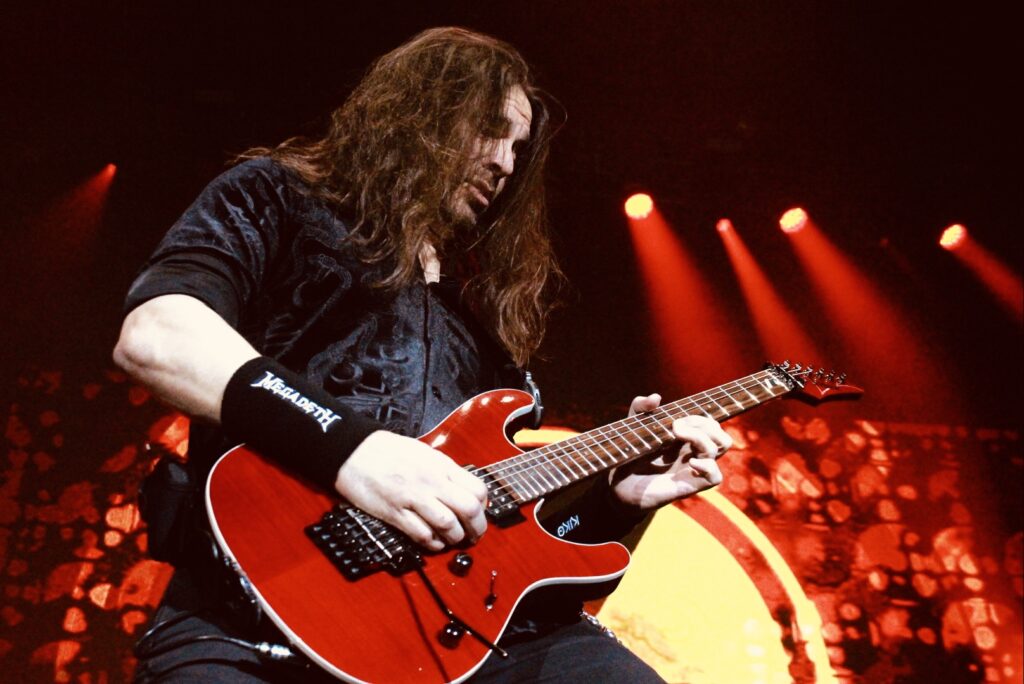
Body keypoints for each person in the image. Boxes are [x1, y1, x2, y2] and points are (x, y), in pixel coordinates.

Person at [114, 27, 732, 682]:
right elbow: (158, 336)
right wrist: (353, 451)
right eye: (490, 131)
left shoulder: (482, 314)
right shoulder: (276, 196)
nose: (505, 163)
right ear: (420, 112)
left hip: (461, 639)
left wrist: (618, 501)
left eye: (518, 148)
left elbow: (514, 561)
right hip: (251, 617)